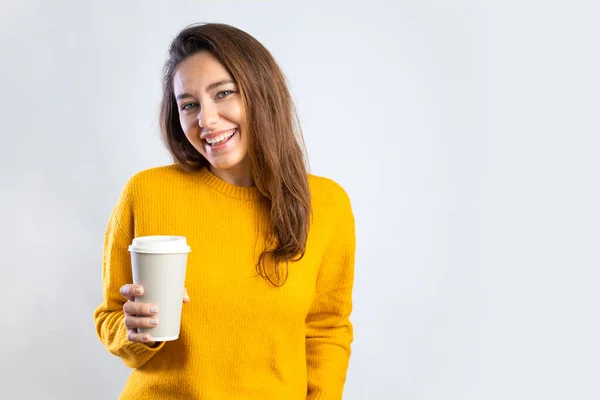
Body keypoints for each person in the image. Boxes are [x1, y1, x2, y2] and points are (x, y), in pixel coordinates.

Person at [93, 22, 355, 399]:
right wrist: (135, 332)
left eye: (224, 94)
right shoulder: (148, 191)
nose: (207, 119)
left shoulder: (327, 205)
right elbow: (111, 317)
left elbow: (326, 331)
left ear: (261, 93)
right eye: (189, 105)